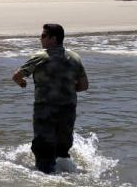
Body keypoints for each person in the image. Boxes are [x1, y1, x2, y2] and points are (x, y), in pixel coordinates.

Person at [12, 23, 89, 174]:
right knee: (62, 151)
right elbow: (84, 86)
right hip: (68, 110)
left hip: (45, 112)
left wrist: (22, 83)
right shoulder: (75, 58)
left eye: (43, 36)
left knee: (43, 152)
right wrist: (65, 90)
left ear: (53, 38)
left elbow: (16, 76)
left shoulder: (40, 57)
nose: (40, 39)